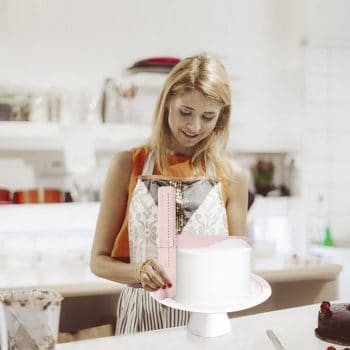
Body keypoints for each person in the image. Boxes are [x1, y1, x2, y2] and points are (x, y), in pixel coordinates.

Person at [90, 55, 248, 335]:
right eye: (185, 112)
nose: (194, 126)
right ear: (167, 104)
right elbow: (98, 261)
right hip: (142, 317)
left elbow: (237, 265)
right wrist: (138, 271)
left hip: (206, 320)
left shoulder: (232, 176)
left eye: (208, 117)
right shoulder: (127, 164)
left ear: (222, 117)